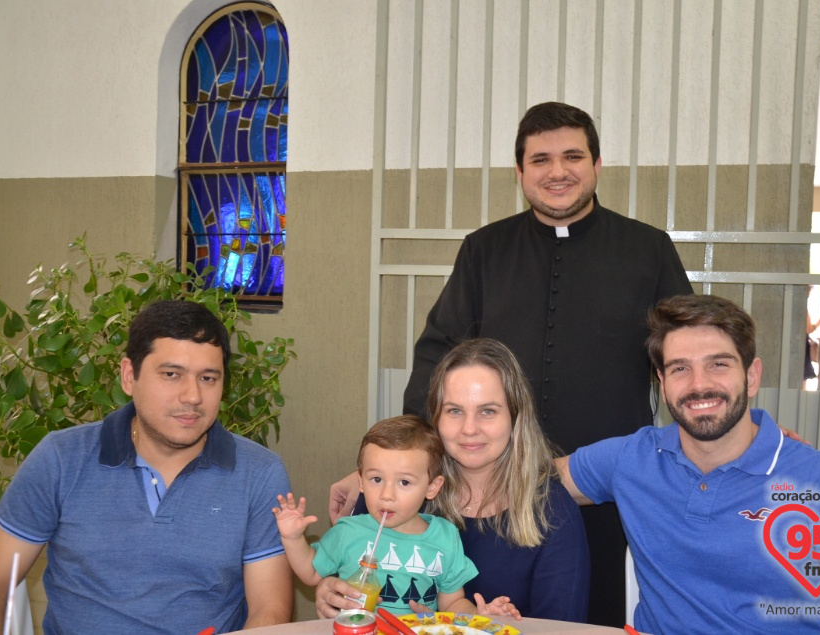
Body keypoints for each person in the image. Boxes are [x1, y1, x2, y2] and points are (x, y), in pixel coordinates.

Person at [390, 101, 692, 625]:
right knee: (469, 612)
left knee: (588, 616)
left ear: (597, 166)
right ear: (520, 172)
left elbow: (687, 357)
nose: (557, 172)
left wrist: (740, 435)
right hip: (487, 489)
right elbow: (436, 355)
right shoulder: (484, 250)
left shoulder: (648, 249)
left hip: (600, 493)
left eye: (573, 156)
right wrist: (404, 461)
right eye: (540, 160)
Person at [555, 294, 820, 633]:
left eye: (718, 364)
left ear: (752, 376)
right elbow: (525, 481)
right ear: (662, 384)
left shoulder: (817, 480)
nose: (699, 385)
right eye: (680, 368)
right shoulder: (631, 459)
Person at [0, 300, 294, 634]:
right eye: (172, 374)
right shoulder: (61, 458)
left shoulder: (258, 473)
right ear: (129, 376)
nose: (192, 396)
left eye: (208, 378)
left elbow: (270, 610)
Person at [323, 339, 590, 621]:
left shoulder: (553, 511)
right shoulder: (392, 491)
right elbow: (342, 585)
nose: (469, 429)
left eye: (488, 411)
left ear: (515, 417)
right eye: (454, 411)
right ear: (435, 417)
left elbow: (563, 628)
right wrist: (329, 594)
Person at [273, 415, 519, 618]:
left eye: (404, 482)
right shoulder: (348, 530)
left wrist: (479, 617)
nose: (387, 495)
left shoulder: (445, 536)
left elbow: (453, 603)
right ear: (360, 481)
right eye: (376, 479)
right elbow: (310, 573)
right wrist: (293, 539)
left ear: (432, 487)